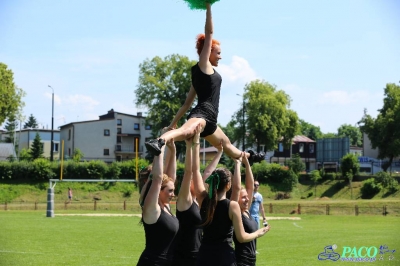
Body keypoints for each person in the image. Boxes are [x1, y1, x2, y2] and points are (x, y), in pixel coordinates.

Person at [145, 3, 265, 165]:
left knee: (228, 146)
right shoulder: (203, 66)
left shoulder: (198, 76)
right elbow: (209, 33)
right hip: (202, 114)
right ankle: (159, 141)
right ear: (208, 52)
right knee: (187, 131)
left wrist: (172, 125)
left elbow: (186, 104)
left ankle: (250, 157)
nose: (220, 57)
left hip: (211, 120)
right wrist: (209, 5)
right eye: (218, 53)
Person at [191, 130, 268, 266]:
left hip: (204, 257)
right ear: (228, 185)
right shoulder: (232, 205)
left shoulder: (203, 199)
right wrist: (259, 232)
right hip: (224, 257)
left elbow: (196, 170)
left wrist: (195, 142)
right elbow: (242, 237)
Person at [173, 125, 223, 266]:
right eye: (197, 180)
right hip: (183, 256)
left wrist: (219, 152)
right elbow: (190, 171)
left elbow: (206, 173)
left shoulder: (198, 201)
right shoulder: (185, 200)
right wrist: (192, 144)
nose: (200, 181)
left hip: (199, 255)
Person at [137, 145, 179, 266]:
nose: (173, 194)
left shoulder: (166, 207)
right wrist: (160, 148)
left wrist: (172, 148)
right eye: (170, 191)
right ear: (158, 190)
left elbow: (171, 176)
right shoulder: (152, 209)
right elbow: (158, 178)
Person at [232, 154, 271, 266]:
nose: (247, 199)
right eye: (243, 197)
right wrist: (237, 164)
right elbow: (237, 187)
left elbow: (250, 186)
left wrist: (247, 163)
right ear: (236, 199)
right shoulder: (236, 212)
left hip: (251, 259)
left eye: (247, 197)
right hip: (241, 260)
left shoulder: (246, 211)